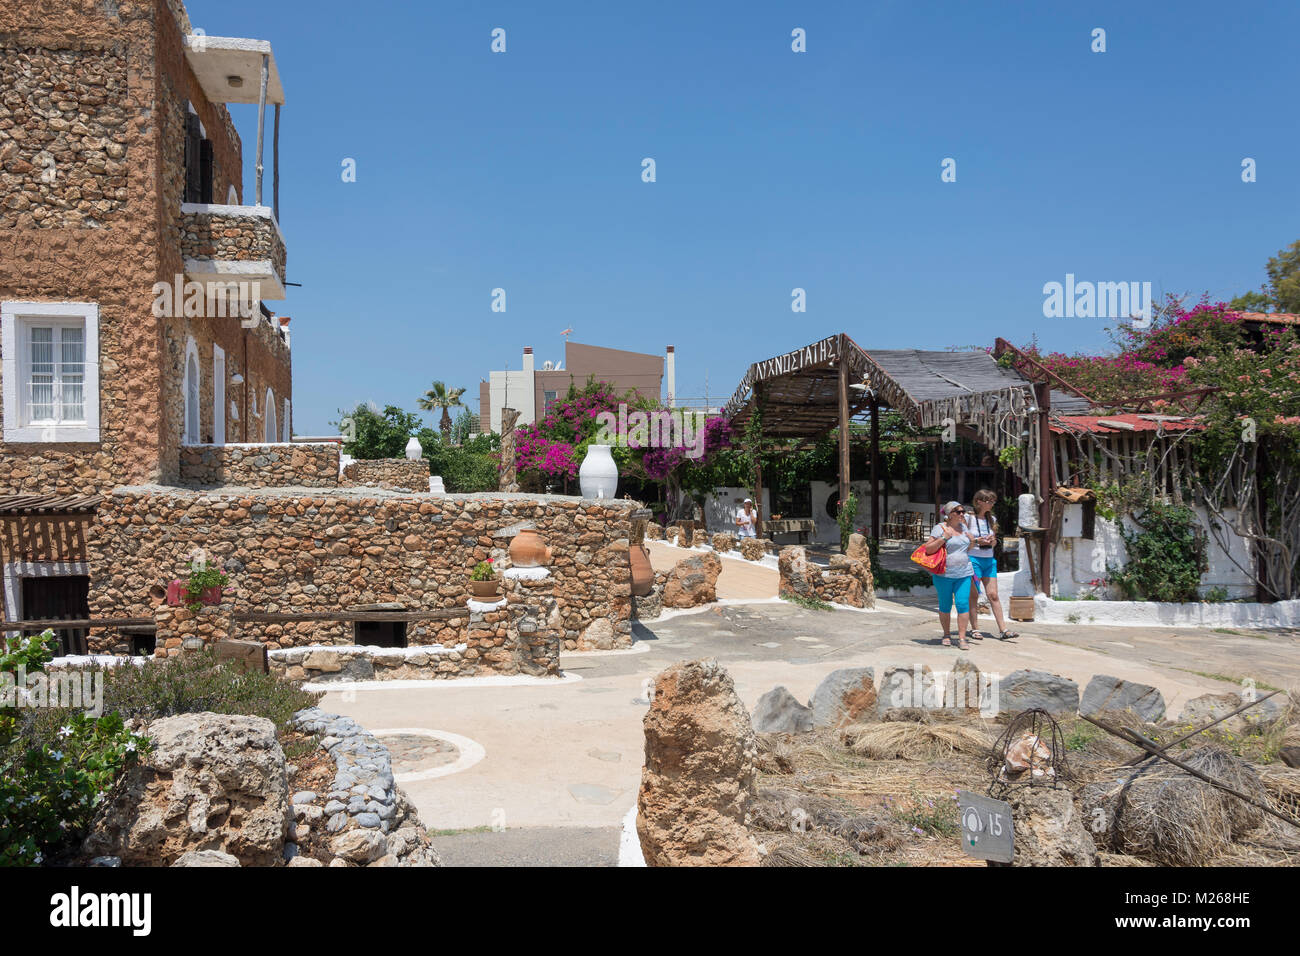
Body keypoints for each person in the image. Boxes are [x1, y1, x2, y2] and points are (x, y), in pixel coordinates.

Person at [965, 489, 1019, 640]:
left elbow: (995, 542)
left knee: (993, 595)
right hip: (973, 559)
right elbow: (963, 540)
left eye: (993, 501)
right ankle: (975, 629)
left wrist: (991, 541)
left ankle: (1003, 630)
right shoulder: (968, 519)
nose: (992, 504)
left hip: (989, 560)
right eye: (989, 501)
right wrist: (977, 541)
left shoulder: (992, 519)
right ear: (979, 502)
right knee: (974, 595)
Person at [923, 501, 974, 650]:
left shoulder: (964, 527)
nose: (962, 514)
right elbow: (929, 549)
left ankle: (962, 638)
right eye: (958, 512)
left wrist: (972, 542)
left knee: (963, 604)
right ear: (950, 514)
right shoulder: (940, 528)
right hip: (944, 574)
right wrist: (944, 538)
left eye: (963, 511)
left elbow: (966, 549)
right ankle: (946, 634)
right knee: (945, 605)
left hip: (964, 573)